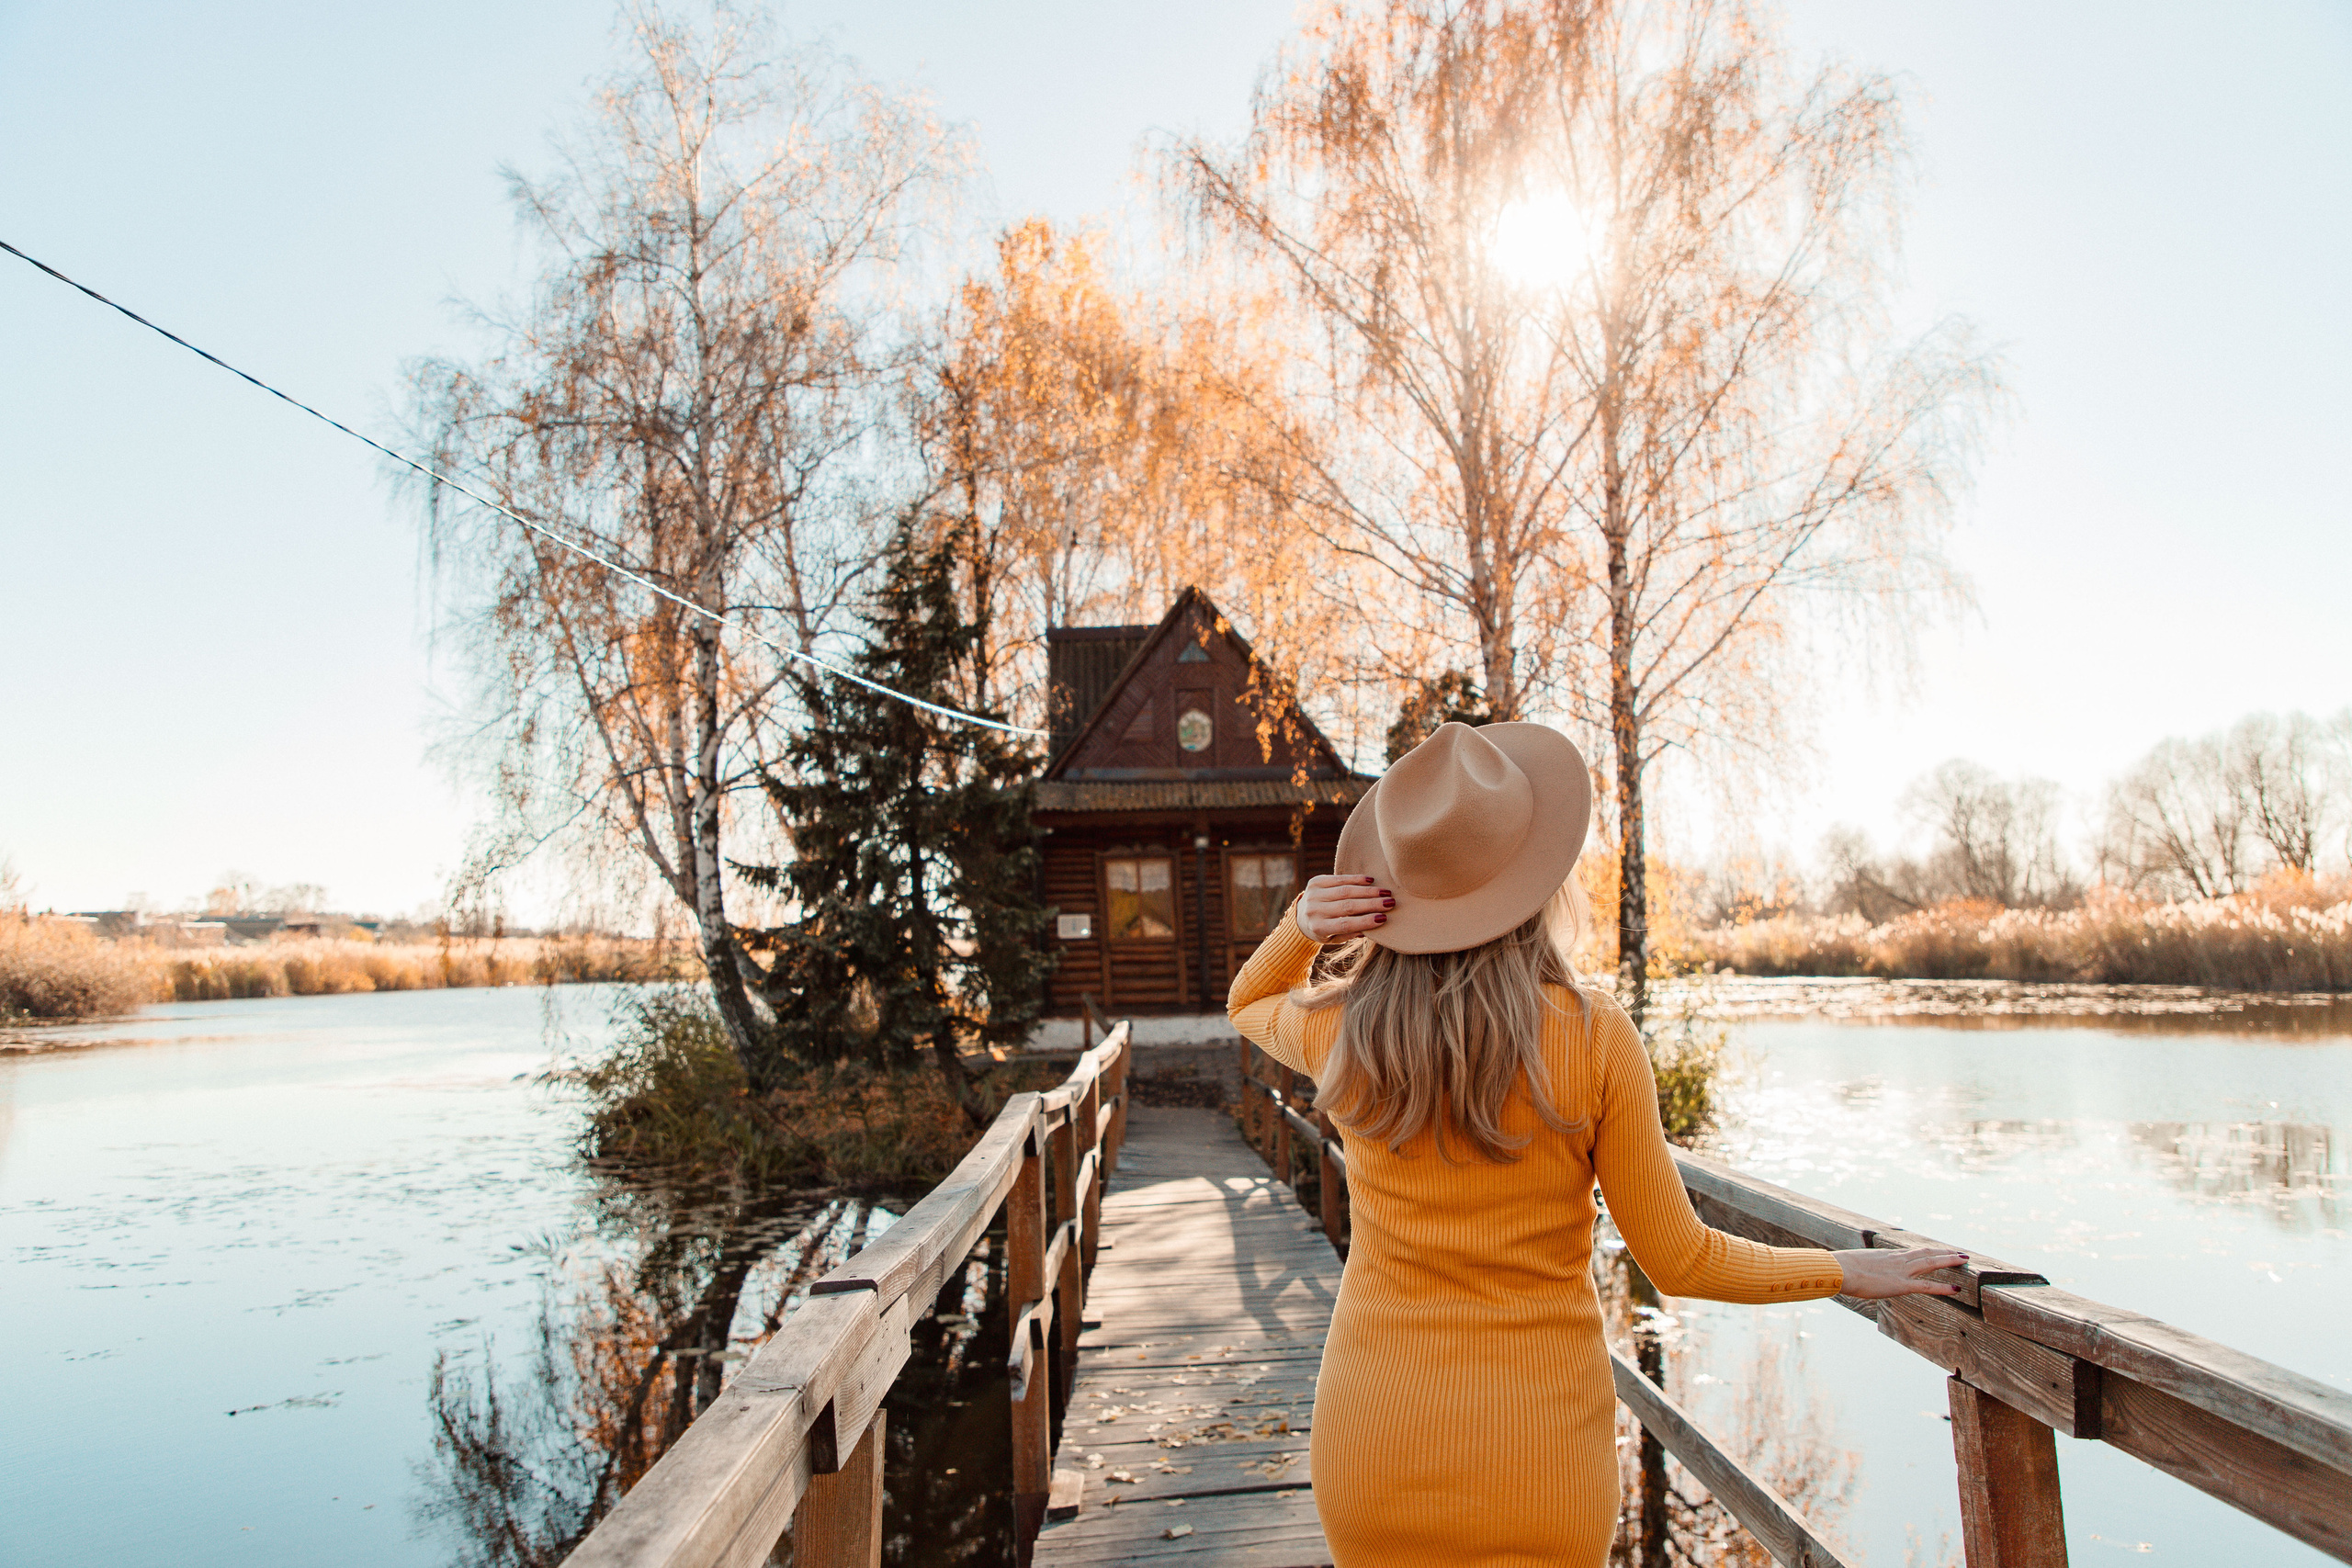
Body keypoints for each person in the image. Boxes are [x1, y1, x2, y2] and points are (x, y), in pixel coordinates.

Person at [1227, 720, 1963, 1567]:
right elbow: (1682, 1260)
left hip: (1374, 1444)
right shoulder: (1595, 1034)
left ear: (1398, 890)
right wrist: (1849, 1270)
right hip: (1539, 1457)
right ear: (1538, 880)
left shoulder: (1346, 1031)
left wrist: (1303, 925)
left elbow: (1248, 1005)